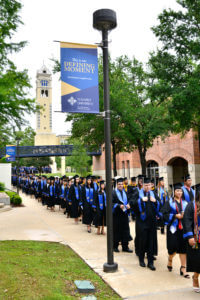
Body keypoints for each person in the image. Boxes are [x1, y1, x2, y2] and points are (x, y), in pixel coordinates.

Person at [131, 178, 160, 270]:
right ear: (142, 185)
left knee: (151, 241)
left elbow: (160, 204)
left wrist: (155, 201)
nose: (147, 187)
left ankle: (150, 262)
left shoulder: (153, 194)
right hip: (141, 222)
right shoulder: (137, 193)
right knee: (142, 240)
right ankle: (141, 259)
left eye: (149, 185)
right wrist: (140, 200)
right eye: (145, 185)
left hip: (152, 221)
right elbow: (131, 203)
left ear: (151, 186)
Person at [161, 183, 189, 278]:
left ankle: (183, 268)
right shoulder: (169, 202)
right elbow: (163, 214)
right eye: (177, 191)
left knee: (183, 249)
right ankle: (170, 259)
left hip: (183, 229)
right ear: (174, 192)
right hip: (173, 229)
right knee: (172, 248)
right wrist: (174, 216)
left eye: (180, 191)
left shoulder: (185, 203)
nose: (179, 192)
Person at [183, 190, 200, 292]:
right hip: (196, 237)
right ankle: (195, 277)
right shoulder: (191, 206)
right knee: (198, 261)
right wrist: (190, 236)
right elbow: (187, 220)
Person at [112, 177, 133, 253]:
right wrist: (118, 206)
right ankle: (115, 246)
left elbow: (129, 200)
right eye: (119, 184)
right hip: (117, 215)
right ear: (117, 185)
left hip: (124, 214)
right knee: (116, 231)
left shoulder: (125, 192)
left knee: (125, 230)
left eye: (122, 184)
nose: (121, 185)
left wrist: (128, 205)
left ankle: (125, 246)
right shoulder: (113, 193)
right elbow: (111, 203)